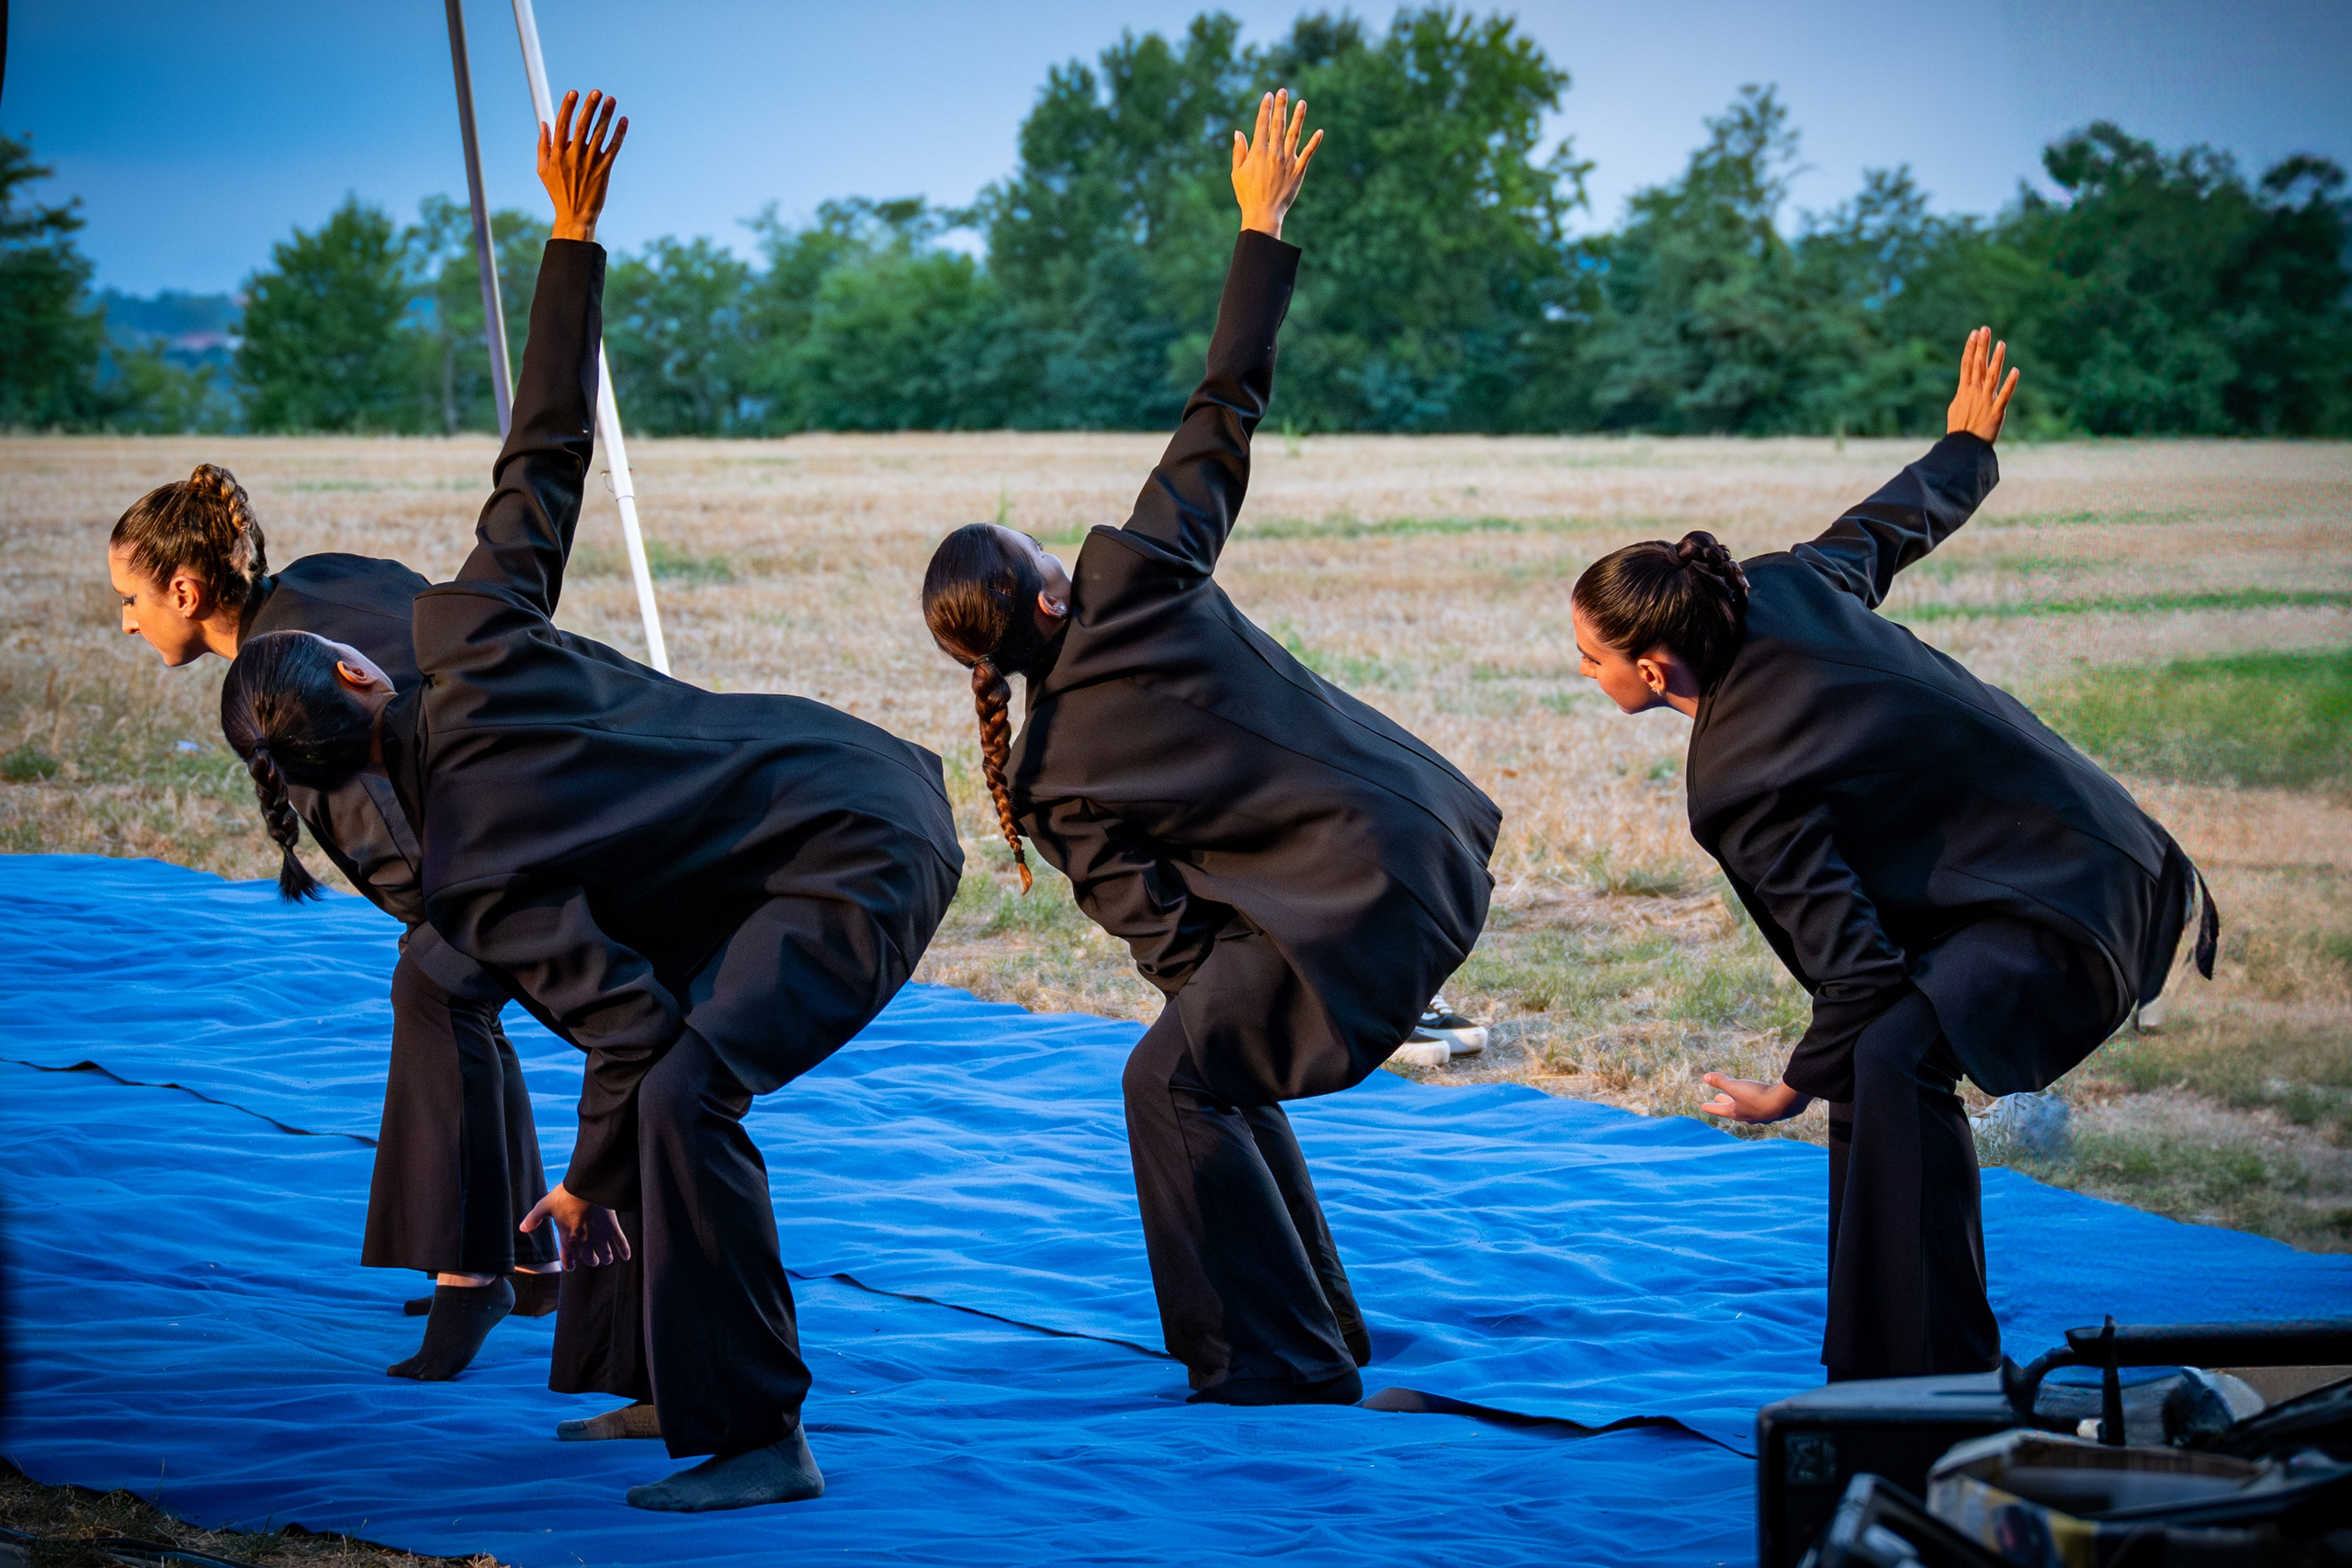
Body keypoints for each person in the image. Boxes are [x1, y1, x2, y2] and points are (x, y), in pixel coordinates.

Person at [217, 92, 962, 1513]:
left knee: (686, 1092)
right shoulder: (470, 625)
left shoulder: (466, 878)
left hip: (857, 858)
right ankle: (657, 1375)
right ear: (365, 667)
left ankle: (761, 1435)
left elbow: (646, 1039)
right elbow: (543, 449)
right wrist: (571, 231)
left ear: (319, 790)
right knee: (655, 1086)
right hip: (845, 778)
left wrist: (593, 1173)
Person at [920, 92, 1499, 1407]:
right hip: (1438, 845)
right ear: (1051, 595)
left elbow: (1173, 945)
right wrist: (1259, 222)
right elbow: (1224, 397)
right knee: (1197, 1060)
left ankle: (1275, 1359)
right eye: (1036, 550)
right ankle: (1316, 1335)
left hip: (1361, 923)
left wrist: (1271, 980)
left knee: (1177, 1062)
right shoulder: (1142, 572)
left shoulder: (1048, 770)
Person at [96, 94, 645, 1382]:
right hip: (559, 780)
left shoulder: (267, 700)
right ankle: (521, 1257)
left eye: (128, 600)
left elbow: (411, 857)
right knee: (447, 984)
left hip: (534, 828)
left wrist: (475, 921)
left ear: (187, 591)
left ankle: (472, 1276)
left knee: (439, 976)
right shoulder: (328, 569)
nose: (124, 623)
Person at [1568, 329, 2216, 1382]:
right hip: (2100, 855)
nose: (1583, 674)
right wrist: (1963, 446)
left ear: (1651, 666)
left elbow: (1858, 972)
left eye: (1589, 659)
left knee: (1888, 1050)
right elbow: (1887, 527)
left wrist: (1785, 1089)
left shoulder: (1738, 777)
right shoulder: (1777, 585)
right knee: (1880, 1057)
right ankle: (1882, 1369)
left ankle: (1930, 1381)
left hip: (2069, 911)